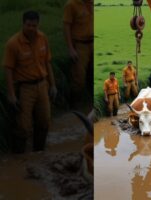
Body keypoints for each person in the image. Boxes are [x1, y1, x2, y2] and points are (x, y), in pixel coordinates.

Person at [3, 11, 57, 153]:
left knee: (44, 121)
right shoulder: (13, 44)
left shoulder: (42, 38)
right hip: (25, 88)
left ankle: (39, 153)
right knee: (23, 127)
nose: (31, 28)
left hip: (42, 85)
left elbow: (47, 62)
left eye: (34, 25)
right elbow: (8, 70)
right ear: (23, 24)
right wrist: (11, 95)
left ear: (38, 25)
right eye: (28, 25)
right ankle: (19, 158)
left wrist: (53, 85)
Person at [63, 0, 93, 107]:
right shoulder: (71, 5)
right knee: (78, 77)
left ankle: (91, 104)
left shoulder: (92, 3)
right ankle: (75, 106)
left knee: (92, 75)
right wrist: (70, 48)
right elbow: (66, 27)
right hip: (80, 45)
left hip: (93, 42)